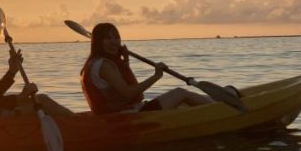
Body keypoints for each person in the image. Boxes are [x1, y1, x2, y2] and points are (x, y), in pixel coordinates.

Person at [80, 22, 212, 114]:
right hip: (125, 115)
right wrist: (156, 76)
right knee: (180, 93)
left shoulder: (95, 63)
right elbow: (129, 93)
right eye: (108, 38)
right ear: (98, 42)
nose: (114, 42)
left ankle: (216, 103)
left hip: (124, 111)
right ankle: (222, 108)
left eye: (116, 37)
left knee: (182, 103)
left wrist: (125, 61)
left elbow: (127, 87)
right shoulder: (104, 65)